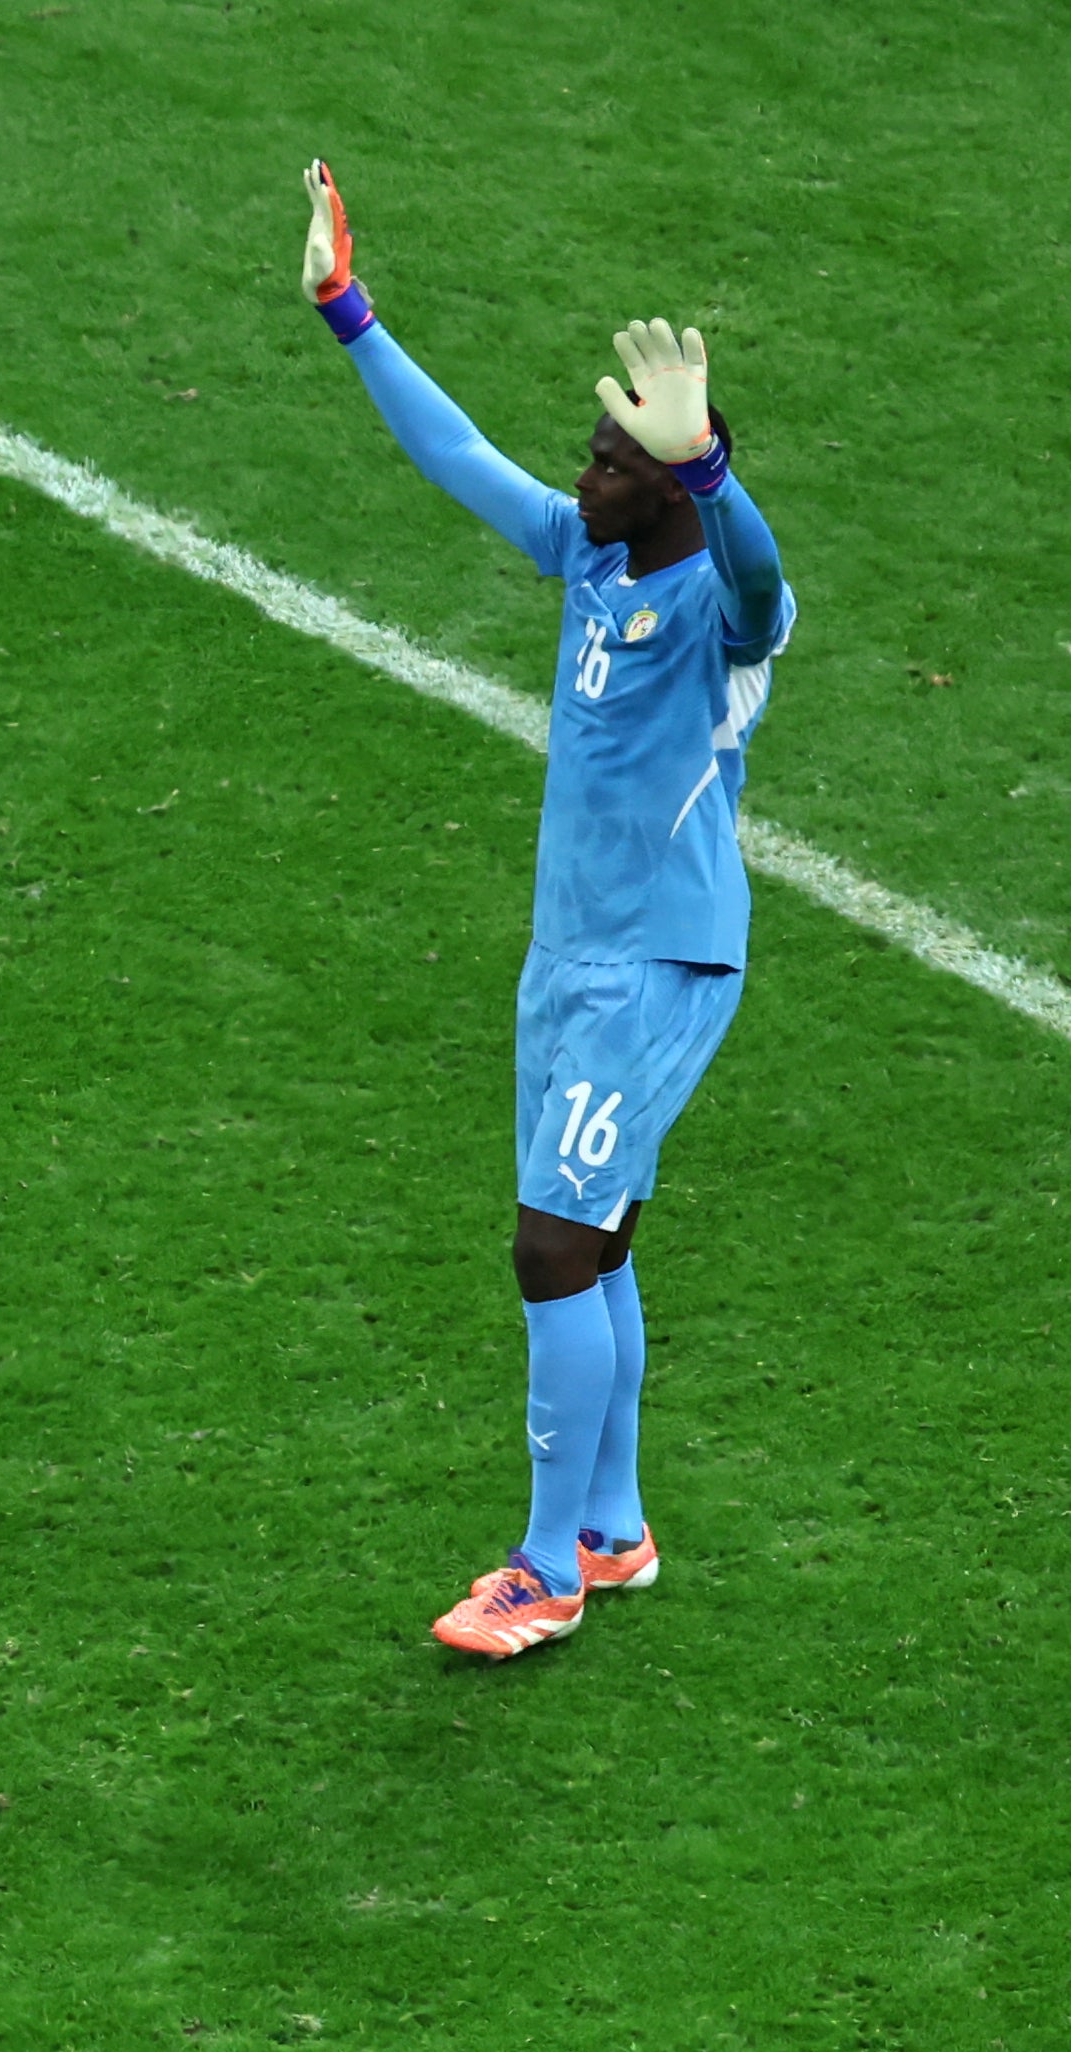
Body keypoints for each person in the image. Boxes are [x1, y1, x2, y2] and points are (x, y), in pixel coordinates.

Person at [298, 161, 794, 1657]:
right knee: (601, 1240)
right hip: (569, 958)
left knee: (546, 1250)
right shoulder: (585, 553)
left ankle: (543, 1568)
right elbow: (454, 453)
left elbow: (768, 580)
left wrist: (711, 469)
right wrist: (345, 310)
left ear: (670, 480)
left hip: (659, 963)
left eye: (614, 462)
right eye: (591, 453)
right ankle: (611, 1525)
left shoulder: (720, 601)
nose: (585, 474)